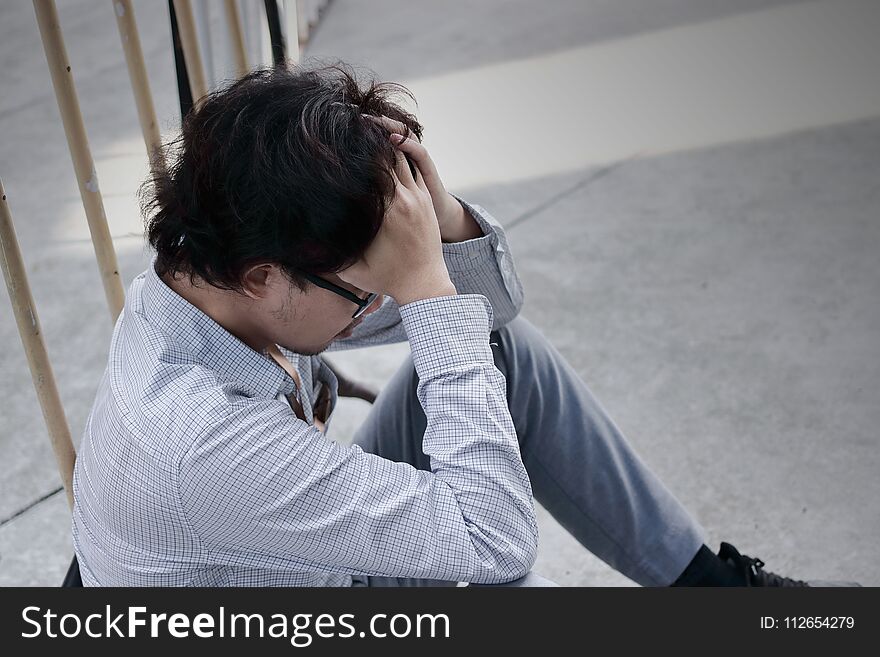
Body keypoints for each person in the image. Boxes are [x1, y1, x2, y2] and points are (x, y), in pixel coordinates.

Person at [71, 62, 856, 587]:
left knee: (498, 355)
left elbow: (490, 316)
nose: (374, 307)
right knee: (490, 562)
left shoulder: (210, 271)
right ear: (263, 277)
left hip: (289, 560)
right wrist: (422, 288)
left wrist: (438, 221)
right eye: (361, 293)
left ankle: (712, 592)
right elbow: (493, 542)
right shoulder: (198, 439)